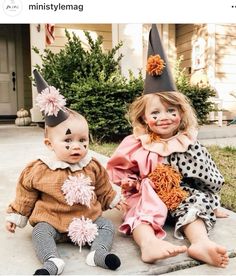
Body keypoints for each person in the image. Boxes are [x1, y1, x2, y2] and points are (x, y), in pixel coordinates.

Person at [107, 24, 229, 268]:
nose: (163, 117)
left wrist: (212, 203)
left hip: (180, 194)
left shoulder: (186, 143)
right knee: (139, 213)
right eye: (155, 112)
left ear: (181, 114)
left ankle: (200, 243)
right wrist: (130, 183)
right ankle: (148, 244)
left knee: (195, 205)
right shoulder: (136, 143)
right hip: (147, 193)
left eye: (171, 111)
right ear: (144, 118)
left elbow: (205, 177)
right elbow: (122, 171)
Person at [6, 70, 122, 275]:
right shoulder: (40, 169)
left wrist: (113, 198)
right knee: (39, 232)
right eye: (68, 141)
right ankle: (51, 261)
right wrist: (16, 215)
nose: (76, 146)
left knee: (106, 226)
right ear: (49, 144)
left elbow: (103, 186)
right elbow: (26, 195)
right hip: (52, 220)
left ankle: (98, 253)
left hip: (87, 222)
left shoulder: (92, 164)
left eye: (82, 140)